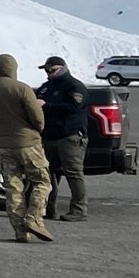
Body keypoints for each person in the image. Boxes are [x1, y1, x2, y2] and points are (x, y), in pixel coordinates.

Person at [0, 54, 52, 242]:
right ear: (13, 68)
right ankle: (33, 218)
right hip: (28, 143)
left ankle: (20, 231)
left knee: (13, 187)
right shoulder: (22, 88)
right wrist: (37, 129)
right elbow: (37, 117)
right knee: (42, 181)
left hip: (3, 145)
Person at [37, 55, 91, 221]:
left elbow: (73, 107)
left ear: (63, 68)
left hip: (70, 137)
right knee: (48, 174)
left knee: (73, 173)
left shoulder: (74, 86)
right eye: (47, 70)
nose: (48, 73)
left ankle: (78, 210)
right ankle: (48, 208)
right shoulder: (46, 87)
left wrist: (47, 106)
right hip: (49, 136)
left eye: (52, 70)